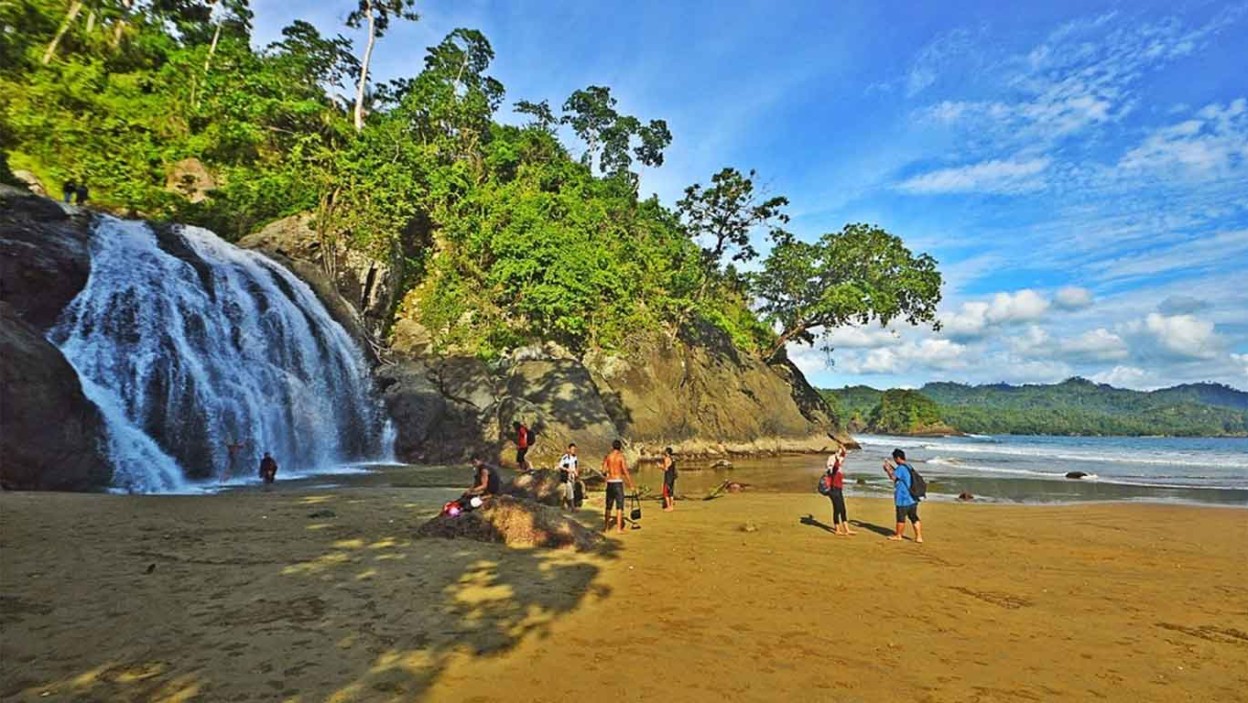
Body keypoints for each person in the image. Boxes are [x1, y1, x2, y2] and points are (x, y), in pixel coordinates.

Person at [884, 448, 923, 543]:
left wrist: (887, 470)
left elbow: (893, 477)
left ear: (897, 458)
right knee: (914, 517)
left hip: (903, 498)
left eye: (894, 459)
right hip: (912, 498)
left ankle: (898, 535)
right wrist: (891, 467)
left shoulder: (901, 468)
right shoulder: (908, 466)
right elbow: (898, 474)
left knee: (900, 518)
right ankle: (919, 537)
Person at [601, 439, 636, 533]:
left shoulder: (608, 457)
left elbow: (603, 471)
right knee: (619, 506)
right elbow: (625, 471)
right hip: (617, 482)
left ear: (612, 447)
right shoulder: (621, 457)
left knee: (608, 506)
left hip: (610, 482)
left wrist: (606, 476)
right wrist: (631, 484)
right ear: (620, 447)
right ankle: (619, 529)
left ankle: (606, 527)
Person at [827, 448, 856, 535]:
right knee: (837, 509)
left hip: (838, 489)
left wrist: (843, 450)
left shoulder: (838, 467)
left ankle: (846, 529)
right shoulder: (833, 469)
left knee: (842, 509)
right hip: (833, 490)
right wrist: (837, 457)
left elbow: (843, 455)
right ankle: (837, 530)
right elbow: (836, 465)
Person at [558, 443, 579, 510]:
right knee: (570, 490)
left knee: (568, 490)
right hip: (567, 476)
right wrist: (567, 469)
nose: (573, 450)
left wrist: (576, 472)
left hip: (572, 475)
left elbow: (576, 466)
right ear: (569, 449)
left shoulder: (575, 457)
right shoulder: (565, 457)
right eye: (572, 449)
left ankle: (562, 504)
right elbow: (560, 466)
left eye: (574, 449)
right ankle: (573, 507)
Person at [660, 446, 677, 511]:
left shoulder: (666, 459)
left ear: (667, 452)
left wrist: (660, 466)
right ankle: (671, 506)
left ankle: (669, 506)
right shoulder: (673, 459)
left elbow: (666, 468)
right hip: (672, 477)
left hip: (668, 477)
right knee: (671, 492)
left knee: (666, 492)